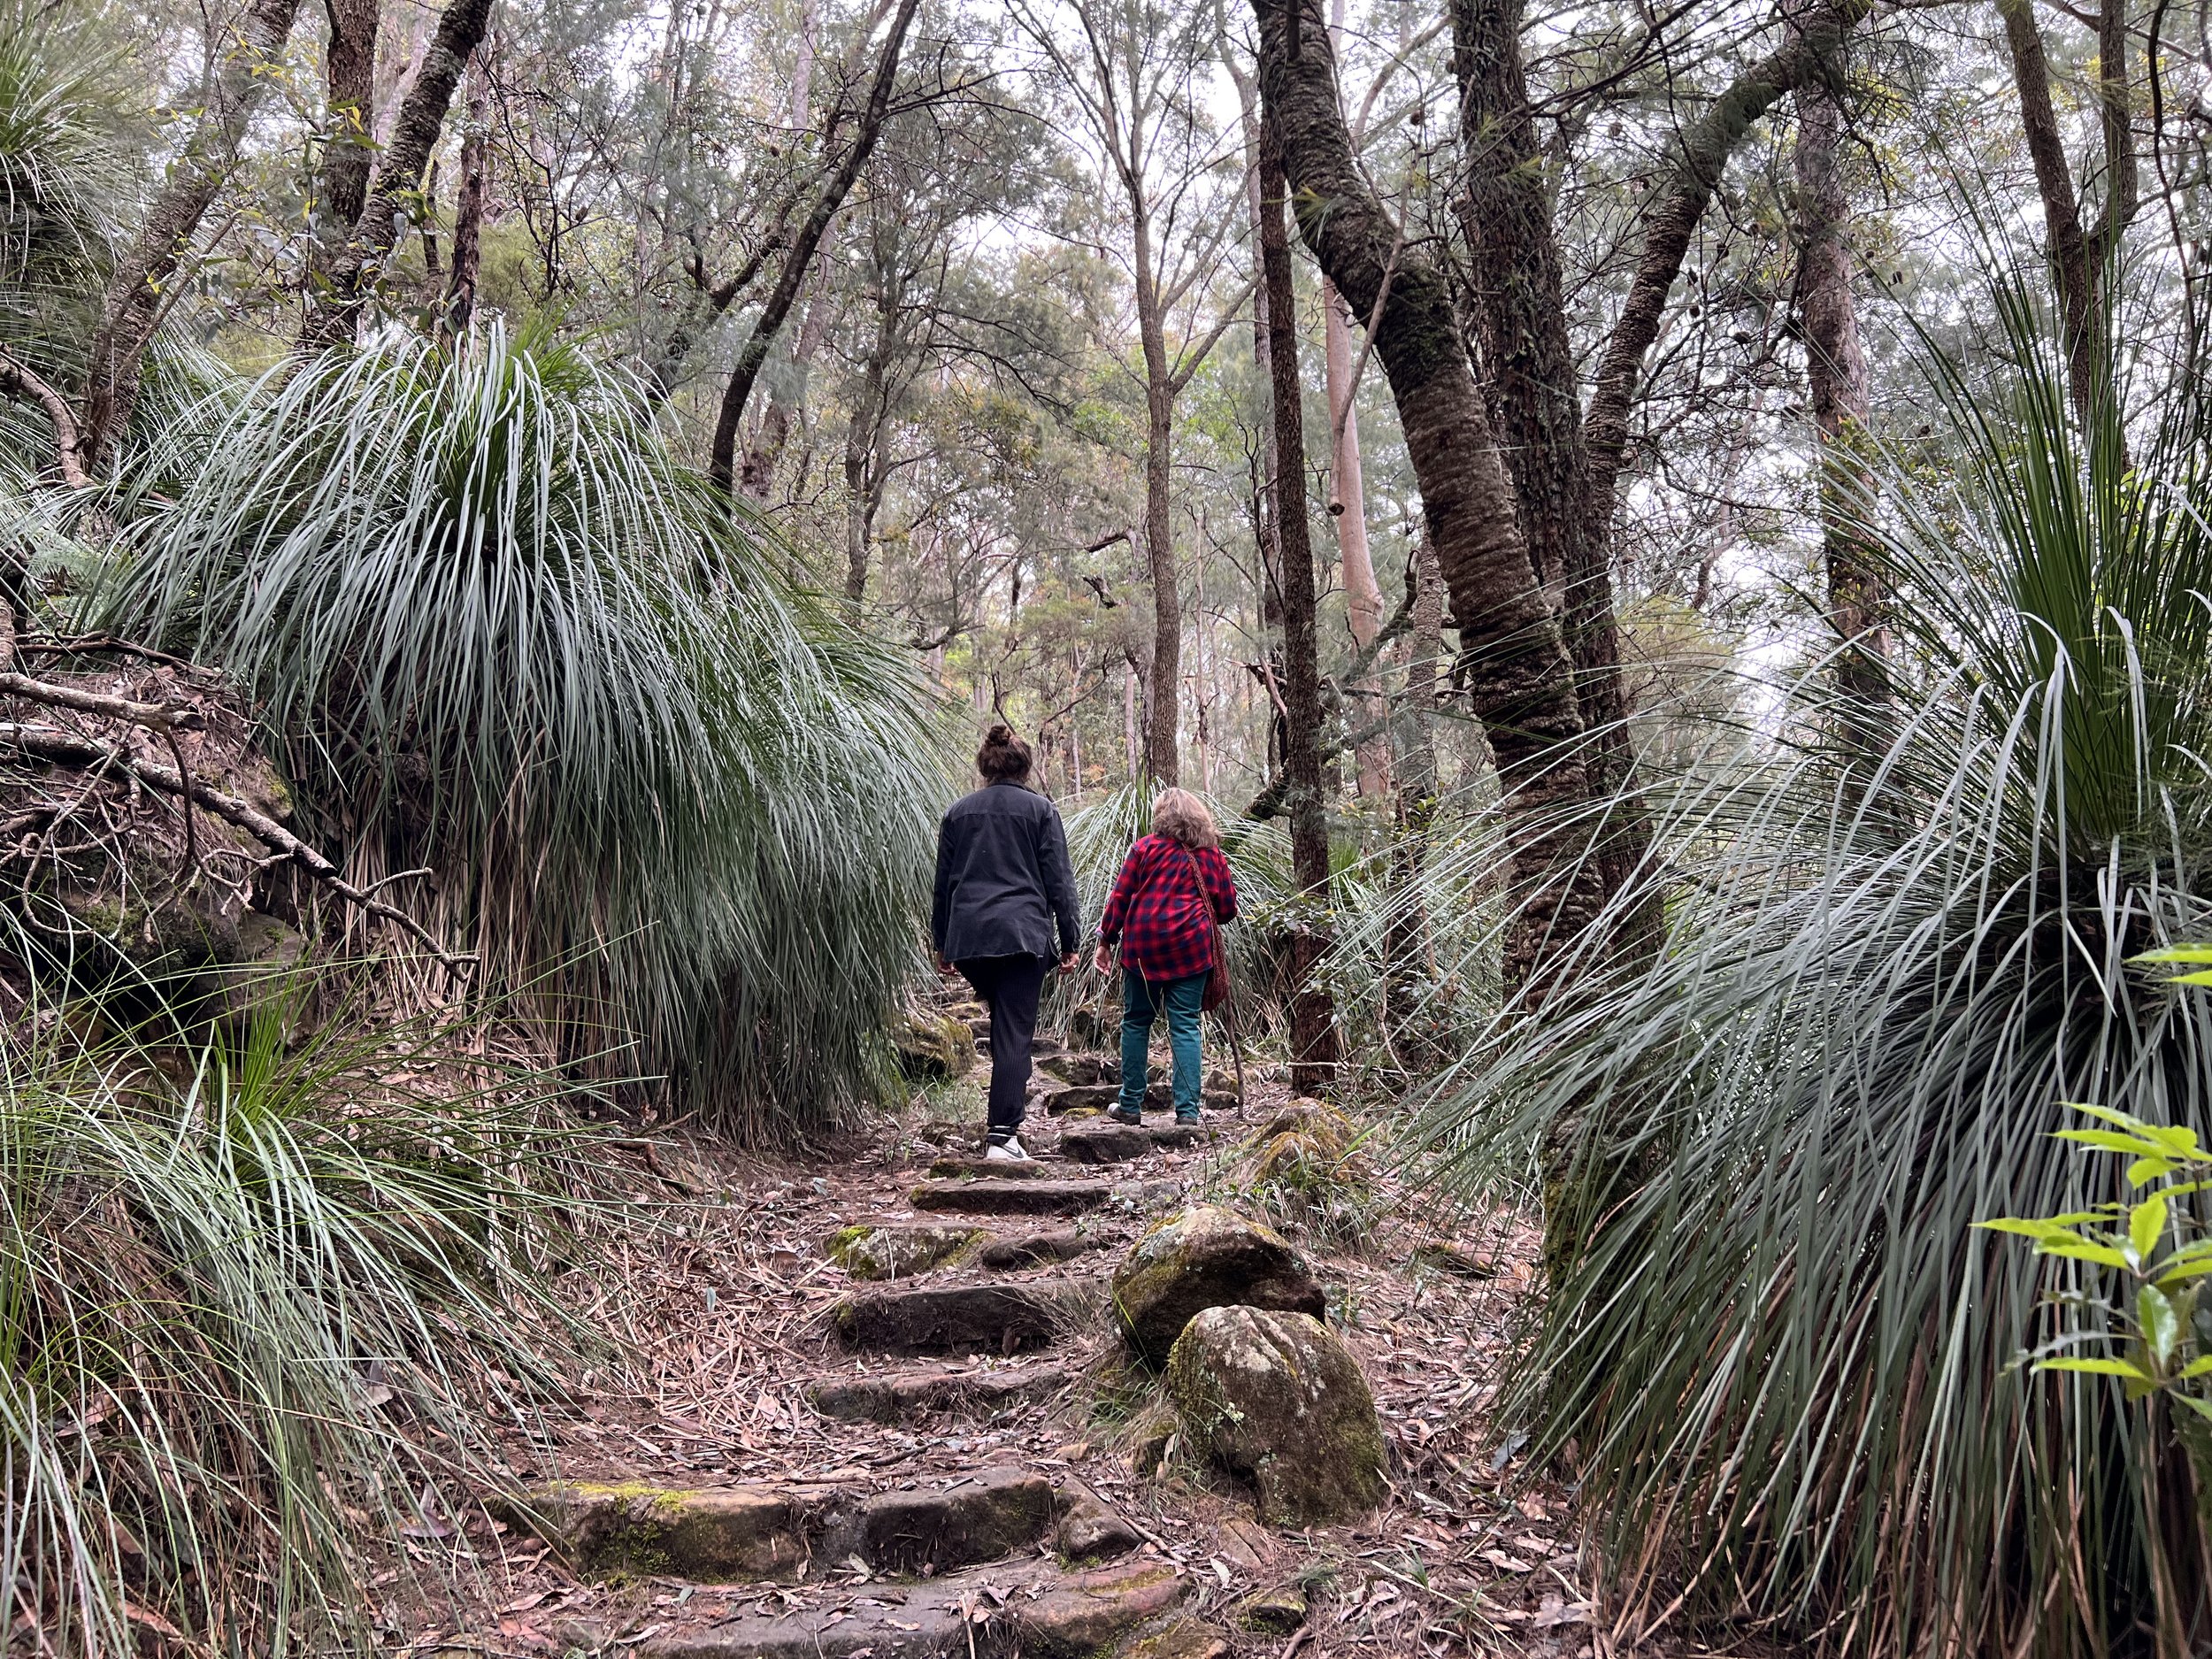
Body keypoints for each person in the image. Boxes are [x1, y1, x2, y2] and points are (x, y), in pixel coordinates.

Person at [932, 724, 1081, 1160]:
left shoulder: (959, 813)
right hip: (1021, 935)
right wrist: (1070, 939)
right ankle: (1002, 1137)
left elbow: (943, 885)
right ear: (1024, 766)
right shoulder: (1040, 811)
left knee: (1004, 1024)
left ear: (986, 766)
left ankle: (1002, 1126)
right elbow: (1060, 881)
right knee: (1015, 1031)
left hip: (972, 938)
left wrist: (941, 942)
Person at [1093, 787, 1238, 1126]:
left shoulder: (1143, 849)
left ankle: (1130, 1105)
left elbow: (1120, 897)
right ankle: (1187, 1112)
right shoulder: (1211, 856)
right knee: (1185, 1025)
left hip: (1142, 950)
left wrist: (1106, 940)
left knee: (1136, 1022)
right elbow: (1228, 909)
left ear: (1162, 817)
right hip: (1191, 950)